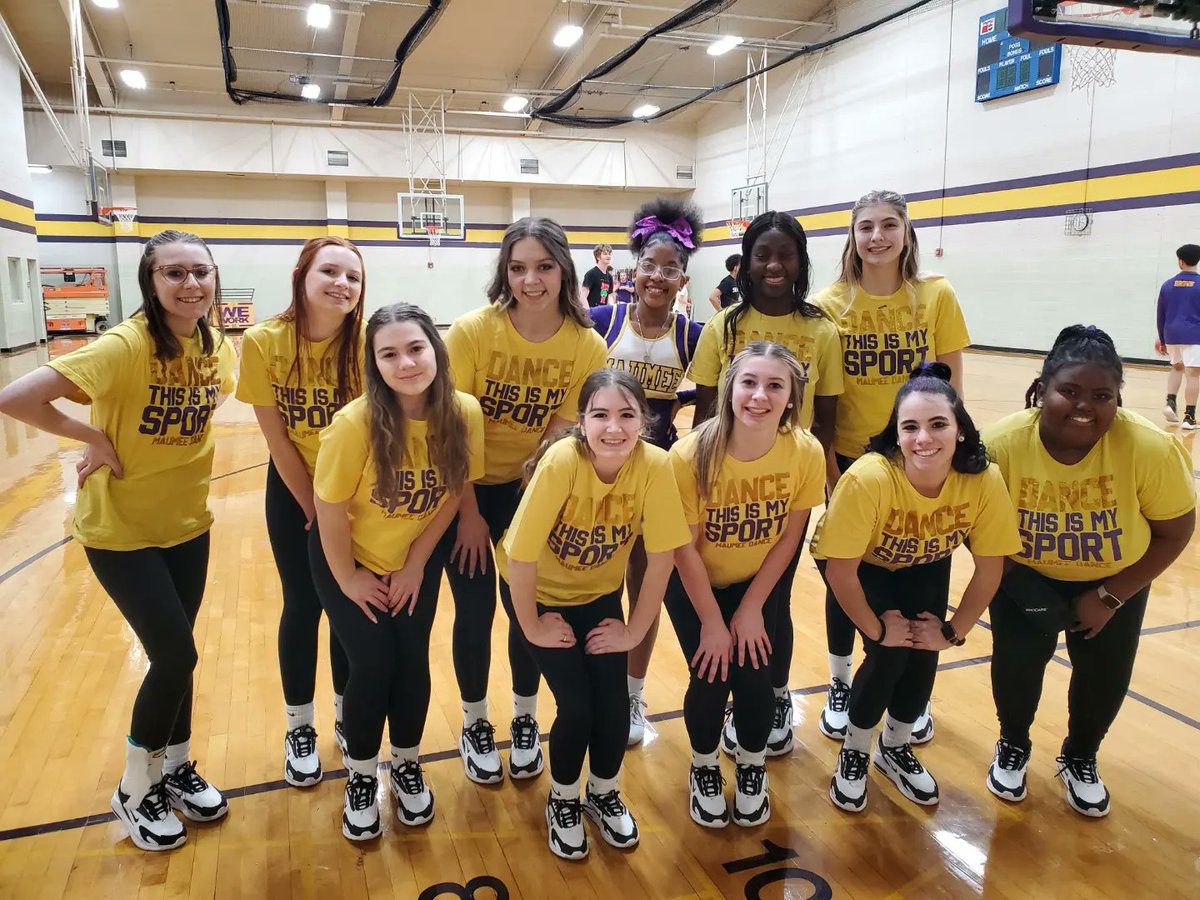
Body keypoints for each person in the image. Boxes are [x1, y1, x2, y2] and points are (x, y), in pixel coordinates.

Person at [0, 230, 236, 851]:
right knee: (175, 657)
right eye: (174, 273)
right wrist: (92, 436)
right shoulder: (125, 345)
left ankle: (175, 767)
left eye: (201, 272)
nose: (191, 284)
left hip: (187, 523)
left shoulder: (215, 346)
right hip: (121, 532)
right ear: (150, 282)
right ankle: (135, 790)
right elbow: (16, 397)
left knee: (179, 653)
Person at [983, 325, 1195, 818]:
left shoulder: (1149, 449)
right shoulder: (1002, 445)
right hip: (1023, 573)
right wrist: (1021, 586)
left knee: (1105, 675)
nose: (1085, 406)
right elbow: (981, 528)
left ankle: (1081, 755)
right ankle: (1012, 743)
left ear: (1118, 399)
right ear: (1042, 391)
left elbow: (1174, 532)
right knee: (1016, 665)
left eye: (1102, 395)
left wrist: (1110, 597)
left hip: (1117, 579)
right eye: (1070, 391)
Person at [497, 368, 690, 859]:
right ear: (581, 422)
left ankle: (602, 793)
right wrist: (532, 624)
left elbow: (663, 557)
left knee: (612, 708)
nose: (613, 427)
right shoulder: (563, 461)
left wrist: (634, 631)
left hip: (598, 596)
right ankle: (562, 799)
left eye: (627, 415)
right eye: (599, 414)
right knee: (578, 707)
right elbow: (520, 556)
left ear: (644, 420)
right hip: (538, 593)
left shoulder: (655, 465)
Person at [810, 363, 1020, 813]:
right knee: (890, 652)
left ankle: (895, 747)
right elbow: (840, 573)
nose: (924, 438)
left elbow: (989, 569)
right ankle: (855, 748)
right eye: (911, 427)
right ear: (897, 434)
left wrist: (952, 631)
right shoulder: (869, 477)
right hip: (863, 564)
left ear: (961, 430)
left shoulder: (983, 480)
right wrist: (877, 627)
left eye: (938, 424)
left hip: (925, 559)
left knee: (925, 645)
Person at [443, 217, 608, 786]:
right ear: (504, 273)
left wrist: (527, 507)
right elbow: (451, 431)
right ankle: (473, 723)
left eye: (543, 266)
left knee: (526, 612)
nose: (530, 280)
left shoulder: (587, 344)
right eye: (517, 268)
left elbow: (558, 438)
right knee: (473, 609)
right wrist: (467, 511)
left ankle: (523, 717)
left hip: (529, 489)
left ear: (563, 269)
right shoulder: (471, 331)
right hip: (462, 487)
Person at [311, 304, 484, 840]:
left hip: (413, 557)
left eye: (415, 348)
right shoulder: (354, 424)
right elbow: (329, 510)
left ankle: (407, 762)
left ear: (436, 349)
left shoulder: (464, 412)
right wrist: (348, 581)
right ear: (374, 363)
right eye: (389, 353)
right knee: (374, 662)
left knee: (411, 659)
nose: (406, 363)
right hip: (346, 557)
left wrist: (415, 565)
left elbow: (454, 491)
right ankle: (362, 775)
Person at [811, 189, 971, 744]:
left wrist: (952, 453)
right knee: (847, 571)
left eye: (888, 226)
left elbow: (951, 385)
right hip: (856, 460)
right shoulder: (830, 304)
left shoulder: (936, 295)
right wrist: (831, 471)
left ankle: (910, 693)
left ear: (906, 233)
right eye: (865, 227)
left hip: (923, 456)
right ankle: (839, 681)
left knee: (922, 566)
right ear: (851, 237)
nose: (876, 237)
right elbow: (823, 402)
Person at [689, 211, 842, 757]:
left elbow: (826, 417)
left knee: (773, 600)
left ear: (801, 262)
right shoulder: (724, 326)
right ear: (746, 263)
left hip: (786, 482)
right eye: (762, 254)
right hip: (724, 480)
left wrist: (817, 475)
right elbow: (706, 407)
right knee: (723, 590)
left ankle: (773, 694)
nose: (774, 265)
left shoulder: (822, 329)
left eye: (786, 255)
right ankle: (737, 694)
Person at [667, 341, 824, 829]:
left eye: (775, 385)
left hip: (757, 582)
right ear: (730, 386)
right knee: (712, 674)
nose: (760, 395)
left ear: (792, 397)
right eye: (749, 383)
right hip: (695, 583)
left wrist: (752, 607)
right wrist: (714, 622)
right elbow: (684, 549)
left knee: (757, 673)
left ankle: (752, 767)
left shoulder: (805, 451)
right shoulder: (690, 453)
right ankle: (705, 766)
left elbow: (788, 539)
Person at [236, 236, 364, 787]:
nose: (342, 284)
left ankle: (343, 711)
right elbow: (276, 438)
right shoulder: (263, 341)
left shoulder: (365, 345)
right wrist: (313, 503)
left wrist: (340, 504)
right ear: (302, 275)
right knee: (303, 604)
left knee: (346, 604)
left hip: (358, 495)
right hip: (294, 491)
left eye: (353, 277)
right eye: (330, 271)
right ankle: (298, 728)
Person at [590, 197, 704, 745]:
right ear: (633, 269)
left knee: (645, 589)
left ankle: (632, 699)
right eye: (650, 265)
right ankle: (596, 687)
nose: (659, 276)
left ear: (683, 277)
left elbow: (709, 408)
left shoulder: (692, 336)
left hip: (657, 479)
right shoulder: (602, 321)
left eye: (671, 268)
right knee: (591, 586)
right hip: (596, 478)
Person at [1154, 243, 1200, 429]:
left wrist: (1163, 339)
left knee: (1176, 368)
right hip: (1194, 335)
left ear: (1180, 262)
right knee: (1194, 374)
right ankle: (1189, 417)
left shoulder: (1167, 285)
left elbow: (1160, 315)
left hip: (1171, 334)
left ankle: (1170, 402)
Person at [581, 244, 615, 309]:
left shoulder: (610, 277)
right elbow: (583, 296)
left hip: (603, 313)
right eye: (605, 254)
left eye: (609, 254)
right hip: (592, 312)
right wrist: (588, 313)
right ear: (598, 257)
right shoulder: (591, 274)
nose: (608, 256)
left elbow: (609, 297)